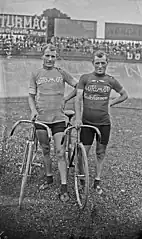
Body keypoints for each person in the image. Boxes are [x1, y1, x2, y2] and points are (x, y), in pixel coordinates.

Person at [28, 44, 77, 202]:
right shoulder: (36, 74)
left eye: (53, 56)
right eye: (47, 56)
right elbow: (30, 96)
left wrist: (66, 99)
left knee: (60, 152)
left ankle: (63, 187)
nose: (50, 59)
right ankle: (49, 178)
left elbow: (78, 86)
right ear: (42, 56)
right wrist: (33, 111)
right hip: (41, 118)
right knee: (45, 149)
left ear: (56, 58)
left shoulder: (61, 72)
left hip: (58, 119)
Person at [75, 50, 128, 194]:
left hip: (104, 123)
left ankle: (97, 181)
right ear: (93, 63)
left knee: (100, 152)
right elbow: (78, 99)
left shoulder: (110, 80)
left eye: (102, 63)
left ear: (106, 64)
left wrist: (111, 103)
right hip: (86, 122)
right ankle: (82, 180)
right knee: (82, 153)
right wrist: (78, 118)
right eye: (97, 63)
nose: (100, 66)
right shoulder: (85, 78)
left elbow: (124, 94)